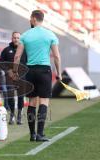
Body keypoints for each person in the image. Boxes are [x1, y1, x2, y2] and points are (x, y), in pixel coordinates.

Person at [12, 10, 62, 141]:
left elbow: (17, 56)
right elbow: (56, 56)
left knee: (32, 102)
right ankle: (40, 134)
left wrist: (15, 71)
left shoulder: (25, 35)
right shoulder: (50, 35)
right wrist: (59, 73)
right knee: (44, 101)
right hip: (44, 71)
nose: (29, 20)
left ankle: (32, 134)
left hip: (30, 71)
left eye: (30, 18)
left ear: (34, 19)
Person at [0, 31, 27, 125]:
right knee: (10, 96)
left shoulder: (25, 50)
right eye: (14, 37)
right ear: (12, 39)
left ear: (20, 39)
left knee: (21, 97)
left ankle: (19, 115)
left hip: (22, 77)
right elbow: (1, 63)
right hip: (10, 77)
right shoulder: (6, 50)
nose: (16, 39)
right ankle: (12, 114)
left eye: (18, 38)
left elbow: (28, 64)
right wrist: (8, 71)